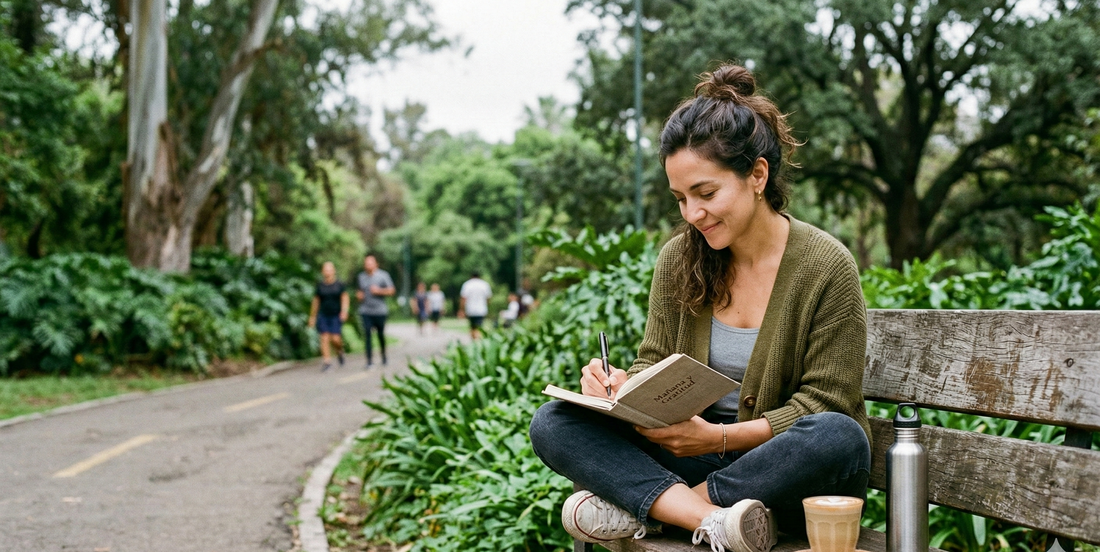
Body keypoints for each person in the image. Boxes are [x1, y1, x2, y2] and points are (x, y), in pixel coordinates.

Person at [528, 63, 872, 552]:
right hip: (693, 457)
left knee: (838, 435)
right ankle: (712, 521)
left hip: (786, 475)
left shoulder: (825, 266)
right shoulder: (680, 258)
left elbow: (826, 405)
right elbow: (655, 362)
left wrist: (716, 440)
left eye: (706, 193)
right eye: (681, 198)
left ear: (757, 175)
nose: (692, 214)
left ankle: (662, 509)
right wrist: (623, 389)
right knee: (553, 422)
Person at [308, 261, 348, 372]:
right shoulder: (320, 285)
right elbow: (316, 301)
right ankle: (327, 362)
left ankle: (339, 351)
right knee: (324, 337)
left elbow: (344, 298)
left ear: (334, 271)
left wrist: (344, 311)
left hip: (336, 315)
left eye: (330, 270)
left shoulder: (339, 284)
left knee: (335, 339)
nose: (328, 272)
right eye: (325, 270)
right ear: (322, 272)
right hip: (323, 315)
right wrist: (312, 316)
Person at [356, 254, 395, 367]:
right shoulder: (361, 277)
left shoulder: (383, 275)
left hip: (380, 311)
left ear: (375, 264)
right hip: (365, 311)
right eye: (366, 263)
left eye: (370, 263)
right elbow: (359, 291)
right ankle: (369, 361)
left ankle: (383, 356)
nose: (368, 265)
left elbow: (392, 290)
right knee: (367, 335)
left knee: (380, 335)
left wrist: (379, 291)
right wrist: (359, 296)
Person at [458, 271, 492, 339]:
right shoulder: (484, 284)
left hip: (470, 309)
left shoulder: (467, 284)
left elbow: (463, 298)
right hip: (481, 308)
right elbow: (488, 297)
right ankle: (477, 340)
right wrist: (487, 305)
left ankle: (474, 340)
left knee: (472, 327)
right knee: (479, 326)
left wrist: (461, 309)